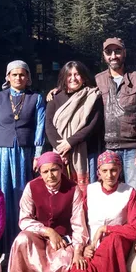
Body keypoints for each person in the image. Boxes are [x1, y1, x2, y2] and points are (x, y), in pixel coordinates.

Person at [44, 151, 136, 272]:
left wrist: (106, 229)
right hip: (91, 246)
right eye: (105, 171)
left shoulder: (129, 192)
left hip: (117, 245)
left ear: (120, 170)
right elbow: (80, 223)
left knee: (112, 240)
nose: (110, 175)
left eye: (114, 170)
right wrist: (82, 248)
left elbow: (134, 230)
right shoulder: (90, 191)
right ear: (99, 172)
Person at [0, 60, 45, 262]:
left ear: (28, 78)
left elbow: (40, 127)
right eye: (14, 75)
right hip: (0, 153)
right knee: (2, 196)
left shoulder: (36, 99)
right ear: (7, 77)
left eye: (22, 75)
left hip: (25, 154)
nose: (18, 78)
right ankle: (0, 246)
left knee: (22, 196)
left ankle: (22, 246)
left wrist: (38, 153)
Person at [7, 152, 89, 272]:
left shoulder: (73, 189)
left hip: (63, 240)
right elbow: (24, 219)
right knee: (21, 239)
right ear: (40, 172)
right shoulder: (31, 187)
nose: (50, 175)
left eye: (54, 170)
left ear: (61, 169)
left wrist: (78, 251)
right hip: (38, 236)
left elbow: (78, 224)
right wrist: (48, 231)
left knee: (66, 260)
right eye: (45, 171)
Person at [95, 37, 136, 189]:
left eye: (117, 51)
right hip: (107, 148)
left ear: (124, 53)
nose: (113, 56)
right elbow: (77, 90)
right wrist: (58, 91)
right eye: (109, 52)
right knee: (110, 192)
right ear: (104, 55)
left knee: (134, 193)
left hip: (133, 149)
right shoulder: (97, 80)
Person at [45, 61, 103, 193]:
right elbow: (49, 126)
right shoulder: (55, 98)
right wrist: (62, 149)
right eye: (69, 75)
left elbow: (92, 125)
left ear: (84, 77)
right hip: (61, 154)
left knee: (89, 192)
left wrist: (70, 143)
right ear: (63, 78)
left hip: (87, 153)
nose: (73, 78)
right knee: (65, 193)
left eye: (77, 74)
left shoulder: (93, 96)